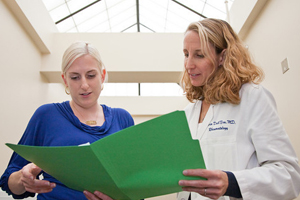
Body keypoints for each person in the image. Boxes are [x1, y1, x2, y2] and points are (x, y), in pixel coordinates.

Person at [177, 18, 300, 200]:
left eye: (199, 55)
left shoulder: (252, 97)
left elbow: (289, 175)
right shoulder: (188, 113)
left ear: (223, 57)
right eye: (186, 54)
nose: (188, 64)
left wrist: (232, 182)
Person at [0, 41, 134, 199]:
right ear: (65, 80)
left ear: (102, 75)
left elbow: (134, 184)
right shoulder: (47, 116)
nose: (84, 85)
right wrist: (23, 178)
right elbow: (8, 180)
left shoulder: (123, 119)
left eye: (91, 75)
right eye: (75, 77)